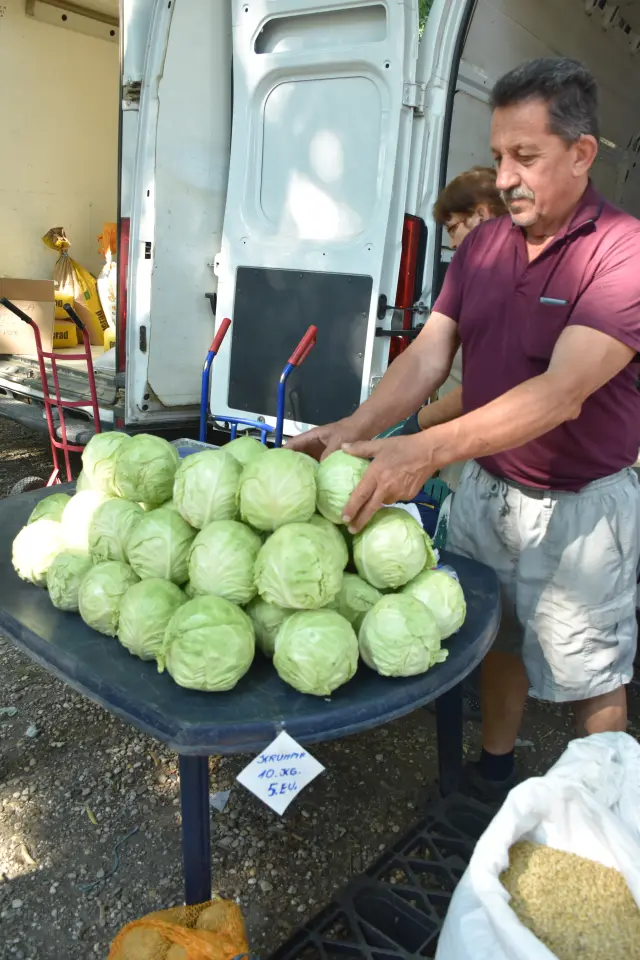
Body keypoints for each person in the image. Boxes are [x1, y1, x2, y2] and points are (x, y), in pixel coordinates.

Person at [289, 57, 640, 800]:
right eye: (497, 156)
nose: (505, 177)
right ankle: (495, 770)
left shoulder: (623, 253)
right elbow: (428, 355)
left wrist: (424, 448)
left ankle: (605, 816)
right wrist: (352, 427)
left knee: (592, 670)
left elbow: (562, 393)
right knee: (495, 637)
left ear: (581, 153)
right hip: (487, 489)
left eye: (526, 156)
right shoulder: (482, 247)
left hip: (579, 509)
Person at [405, 168, 507, 464]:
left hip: (489, 444)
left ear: (481, 215)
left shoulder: (512, 283)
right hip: (458, 440)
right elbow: (427, 356)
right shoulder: (472, 276)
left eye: (453, 229)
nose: (451, 244)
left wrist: (419, 423)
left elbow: (489, 382)